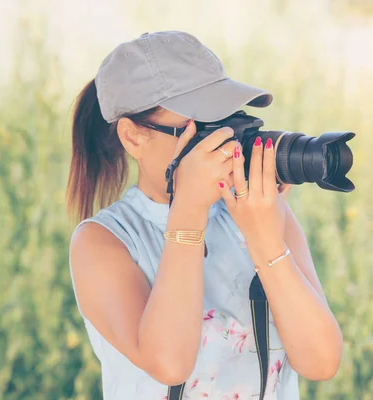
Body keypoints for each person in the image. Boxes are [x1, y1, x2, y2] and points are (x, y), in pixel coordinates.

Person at [66, 30, 342, 400]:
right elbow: (168, 364)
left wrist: (264, 241)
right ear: (133, 137)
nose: (226, 140)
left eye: (229, 120)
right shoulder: (103, 242)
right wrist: (188, 213)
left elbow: (321, 363)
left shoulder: (260, 217)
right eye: (203, 129)